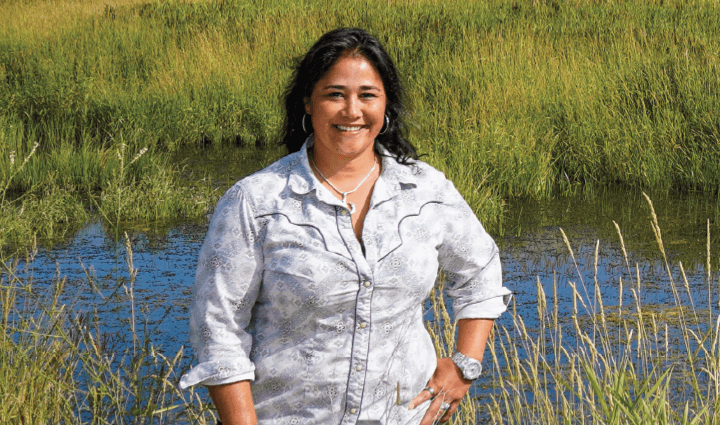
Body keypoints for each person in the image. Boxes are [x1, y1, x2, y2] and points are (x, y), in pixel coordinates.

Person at [179, 27, 512, 425]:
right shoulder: (257, 201)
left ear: (386, 103)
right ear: (307, 102)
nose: (352, 111)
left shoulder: (425, 191)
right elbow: (219, 329)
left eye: (367, 95)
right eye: (335, 94)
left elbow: (480, 271)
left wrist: (463, 366)